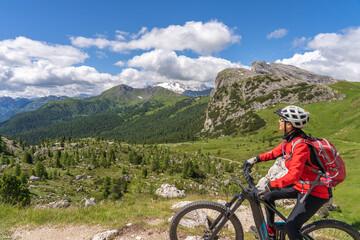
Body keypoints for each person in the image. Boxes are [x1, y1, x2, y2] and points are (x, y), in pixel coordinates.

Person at [245, 105, 331, 240]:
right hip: (302, 187)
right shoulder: (290, 140)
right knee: (268, 197)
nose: (279, 121)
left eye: (282, 119)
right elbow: (275, 152)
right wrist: (254, 160)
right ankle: (271, 232)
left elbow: (293, 176)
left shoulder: (301, 146)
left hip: (316, 192)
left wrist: (269, 185)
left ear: (289, 124)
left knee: (291, 227)